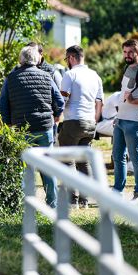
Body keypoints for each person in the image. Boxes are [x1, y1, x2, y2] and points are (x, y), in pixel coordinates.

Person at [0, 45, 64, 208]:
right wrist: (55, 116)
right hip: (44, 127)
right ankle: (52, 203)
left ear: (21, 60)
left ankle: (26, 203)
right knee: (47, 167)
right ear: (37, 59)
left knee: (25, 168)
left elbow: (3, 104)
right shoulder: (46, 76)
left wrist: (8, 123)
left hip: (22, 128)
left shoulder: (11, 78)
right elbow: (60, 101)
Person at [58, 45, 103, 208]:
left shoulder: (70, 74)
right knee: (83, 162)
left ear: (71, 58)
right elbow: (99, 102)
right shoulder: (95, 75)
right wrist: (95, 121)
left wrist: (57, 116)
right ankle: (84, 200)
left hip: (73, 121)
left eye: (66, 59)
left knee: (68, 159)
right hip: (90, 123)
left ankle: (73, 200)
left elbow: (63, 100)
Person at [113, 39, 138, 202]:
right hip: (121, 120)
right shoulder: (128, 67)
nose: (127, 55)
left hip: (135, 121)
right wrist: (117, 114)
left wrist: (134, 102)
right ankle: (117, 191)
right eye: (125, 52)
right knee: (117, 156)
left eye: (130, 52)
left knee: (135, 157)